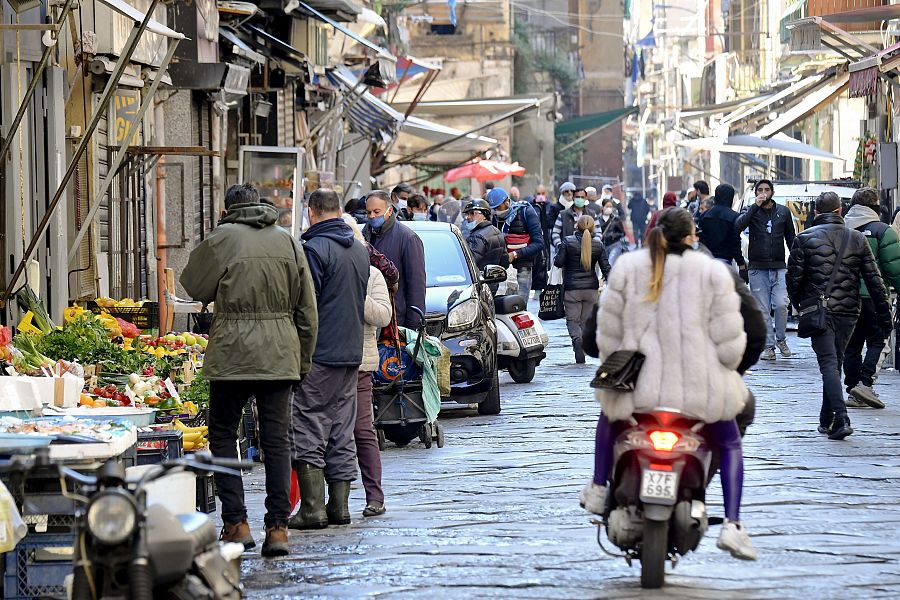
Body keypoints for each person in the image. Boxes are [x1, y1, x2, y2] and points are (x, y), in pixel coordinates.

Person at [582, 207, 757, 560]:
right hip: (700, 390)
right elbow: (730, 343)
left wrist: (614, 364)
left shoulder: (628, 268)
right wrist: (727, 368)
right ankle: (733, 525)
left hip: (637, 389)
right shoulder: (712, 272)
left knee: (608, 412)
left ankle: (599, 487)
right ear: (692, 236)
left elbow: (607, 335)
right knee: (730, 440)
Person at [182, 183, 318, 557]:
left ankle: (236, 523)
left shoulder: (222, 237)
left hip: (232, 355)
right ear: (262, 206)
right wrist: (301, 361)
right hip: (279, 354)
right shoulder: (288, 242)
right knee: (277, 441)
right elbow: (307, 310)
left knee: (224, 434)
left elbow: (193, 285)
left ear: (227, 209)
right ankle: (277, 529)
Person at [290, 189, 370, 531]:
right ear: (338, 211)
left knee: (308, 422)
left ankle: (312, 509)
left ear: (311, 212)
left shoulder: (314, 250)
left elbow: (307, 307)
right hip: (351, 352)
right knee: (341, 428)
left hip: (320, 352)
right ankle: (339, 506)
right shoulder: (359, 251)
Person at [786, 192, 892, 440]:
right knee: (834, 362)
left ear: (816, 213)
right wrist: (885, 317)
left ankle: (841, 418)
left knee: (829, 364)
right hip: (849, 311)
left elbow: (793, 279)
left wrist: (800, 304)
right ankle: (826, 419)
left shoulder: (804, 239)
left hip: (818, 310)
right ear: (839, 212)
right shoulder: (856, 239)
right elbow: (875, 282)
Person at [841, 187, 900, 408]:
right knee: (880, 338)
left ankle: (852, 388)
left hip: (845, 296)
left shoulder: (840, 231)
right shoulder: (883, 231)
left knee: (852, 344)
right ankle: (865, 384)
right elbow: (894, 269)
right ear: (875, 206)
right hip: (874, 296)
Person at [735, 179, 796, 361]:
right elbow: (738, 226)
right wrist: (755, 207)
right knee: (762, 309)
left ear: (772, 192)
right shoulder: (751, 212)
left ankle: (781, 338)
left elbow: (791, 239)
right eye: (760, 190)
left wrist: (795, 261)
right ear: (755, 193)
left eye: (766, 189)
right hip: (757, 268)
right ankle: (768, 347)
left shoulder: (783, 212)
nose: (763, 192)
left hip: (778, 267)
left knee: (781, 304)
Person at [355, 238, 395, 518]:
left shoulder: (371, 275)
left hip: (360, 363)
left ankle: (374, 497)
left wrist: (357, 292)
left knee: (363, 430)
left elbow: (383, 315)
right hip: (322, 363)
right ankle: (330, 502)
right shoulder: (316, 269)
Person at [363, 190, 427, 328]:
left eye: (376, 211)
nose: (372, 216)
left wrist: (413, 327)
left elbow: (416, 286)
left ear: (390, 210)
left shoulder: (407, 238)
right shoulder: (364, 235)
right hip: (369, 317)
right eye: (368, 213)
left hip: (396, 321)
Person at [554, 215, 611, 363]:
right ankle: (582, 343)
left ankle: (577, 341)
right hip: (591, 289)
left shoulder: (567, 241)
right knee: (585, 321)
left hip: (571, 288)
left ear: (576, 227)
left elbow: (558, 262)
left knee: (573, 320)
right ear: (593, 228)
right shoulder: (598, 245)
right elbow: (606, 268)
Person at [488, 187, 544, 300]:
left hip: (523, 267)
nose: (497, 211)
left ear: (507, 202)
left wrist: (515, 254)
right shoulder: (494, 217)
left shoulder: (526, 211)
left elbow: (539, 243)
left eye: (499, 207)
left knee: (520, 306)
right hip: (502, 269)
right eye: (494, 209)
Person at [698, 184, 748, 280]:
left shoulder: (704, 216)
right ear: (731, 198)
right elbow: (735, 242)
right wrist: (741, 264)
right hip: (726, 263)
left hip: (707, 261)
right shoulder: (734, 217)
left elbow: (701, 240)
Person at [463, 198, 508, 270]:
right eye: (467, 214)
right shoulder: (497, 232)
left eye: (472, 213)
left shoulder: (476, 237)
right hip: (495, 279)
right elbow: (505, 264)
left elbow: (470, 265)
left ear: (484, 215)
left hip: (480, 279)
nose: (468, 217)